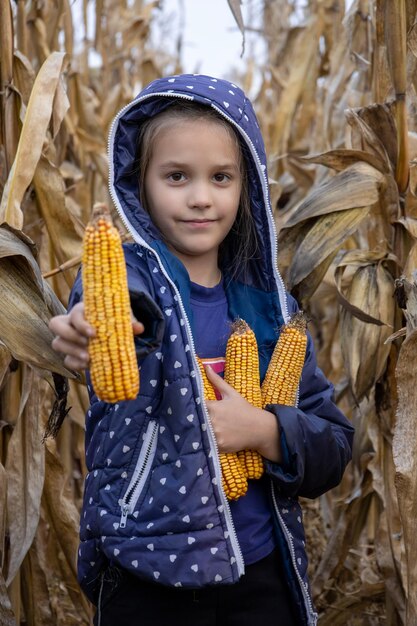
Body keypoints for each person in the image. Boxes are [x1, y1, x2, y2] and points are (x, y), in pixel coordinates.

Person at [49, 73, 354, 626]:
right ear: (138, 186)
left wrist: (264, 431)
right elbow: (118, 317)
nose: (200, 197)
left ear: (247, 187)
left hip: (261, 569)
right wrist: (90, 326)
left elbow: (333, 445)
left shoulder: (269, 312)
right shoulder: (124, 279)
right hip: (147, 572)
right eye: (176, 176)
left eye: (221, 177)